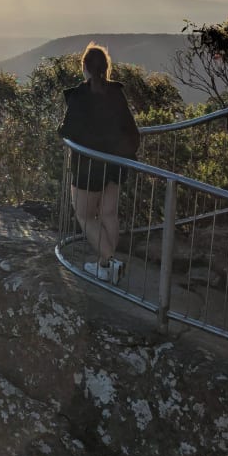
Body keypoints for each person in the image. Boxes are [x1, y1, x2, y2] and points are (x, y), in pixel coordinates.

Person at [58, 42, 140, 284]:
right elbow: (131, 131)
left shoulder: (79, 96)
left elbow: (66, 130)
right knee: (108, 214)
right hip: (114, 165)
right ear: (106, 67)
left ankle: (110, 260)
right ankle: (106, 266)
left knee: (84, 216)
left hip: (87, 167)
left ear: (84, 67)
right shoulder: (116, 93)